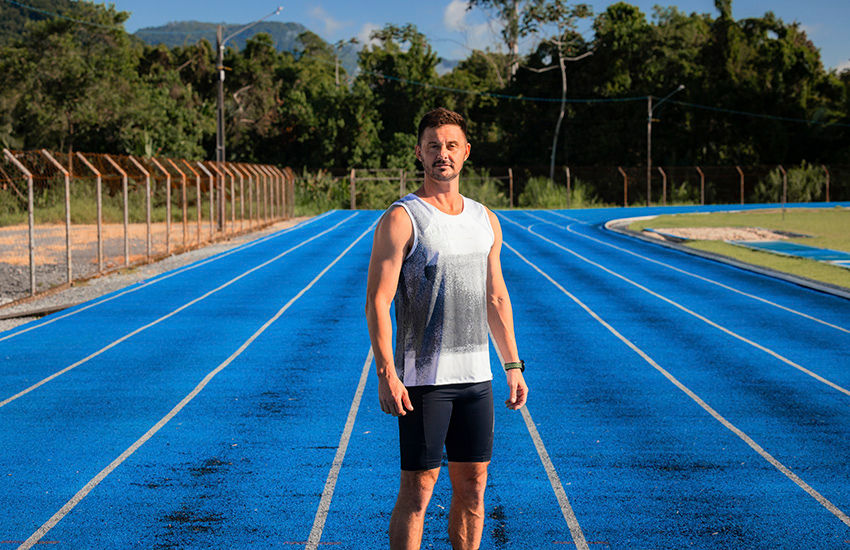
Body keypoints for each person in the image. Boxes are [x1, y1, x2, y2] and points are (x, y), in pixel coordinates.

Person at [365, 107, 528, 550]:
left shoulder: (484, 219)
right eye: (434, 145)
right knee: (418, 492)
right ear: (419, 153)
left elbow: (496, 296)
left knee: (474, 487)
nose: (443, 153)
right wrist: (386, 373)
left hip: (477, 379)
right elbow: (378, 301)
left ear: (466, 152)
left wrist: (513, 364)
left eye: (451, 145)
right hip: (423, 381)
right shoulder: (403, 217)